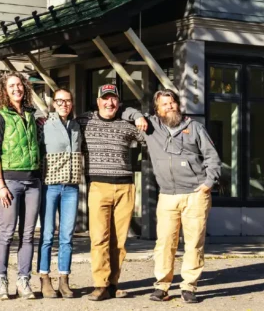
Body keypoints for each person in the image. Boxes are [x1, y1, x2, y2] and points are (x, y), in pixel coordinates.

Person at [141, 89, 221, 304]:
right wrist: (137, 116)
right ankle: (162, 286)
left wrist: (208, 183)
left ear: (178, 104)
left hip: (195, 194)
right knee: (165, 242)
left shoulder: (194, 127)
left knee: (194, 243)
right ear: (157, 109)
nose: (170, 107)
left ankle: (189, 286)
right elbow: (127, 112)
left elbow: (212, 157)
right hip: (167, 195)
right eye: (164, 104)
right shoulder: (151, 127)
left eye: (172, 102)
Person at [76, 84, 147, 302]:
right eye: (105, 99)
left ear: (119, 103)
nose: (110, 103)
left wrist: (137, 115)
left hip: (126, 187)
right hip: (98, 186)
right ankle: (100, 285)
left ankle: (113, 284)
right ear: (98, 102)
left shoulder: (127, 125)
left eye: (113, 99)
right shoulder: (84, 121)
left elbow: (148, 139)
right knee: (99, 238)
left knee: (119, 241)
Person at [0, 71, 41, 300]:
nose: (17, 89)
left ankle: (23, 280)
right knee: (6, 233)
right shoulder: (0, 117)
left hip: (33, 182)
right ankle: (1, 280)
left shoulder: (31, 115)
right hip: (9, 182)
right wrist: (0, 184)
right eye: (11, 86)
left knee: (28, 235)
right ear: (4, 91)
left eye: (19, 85)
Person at [36, 88, 81, 299]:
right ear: (54, 103)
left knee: (67, 236)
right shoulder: (44, 124)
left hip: (71, 187)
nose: (64, 104)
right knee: (47, 235)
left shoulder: (77, 125)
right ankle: (44, 277)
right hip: (50, 186)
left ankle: (64, 278)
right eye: (60, 101)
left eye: (68, 101)